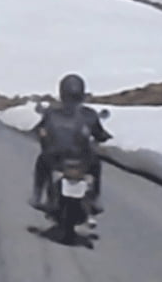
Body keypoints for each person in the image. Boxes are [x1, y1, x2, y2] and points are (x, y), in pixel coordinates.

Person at [32, 73, 110, 214]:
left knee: (42, 161)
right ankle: (95, 197)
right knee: (96, 164)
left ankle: (37, 194)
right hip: (81, 158)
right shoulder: (89, 114)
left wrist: (42, 136)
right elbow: (100, 133)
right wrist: (103, 138)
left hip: (56, 157)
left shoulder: (52, 112)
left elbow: (39, 129)